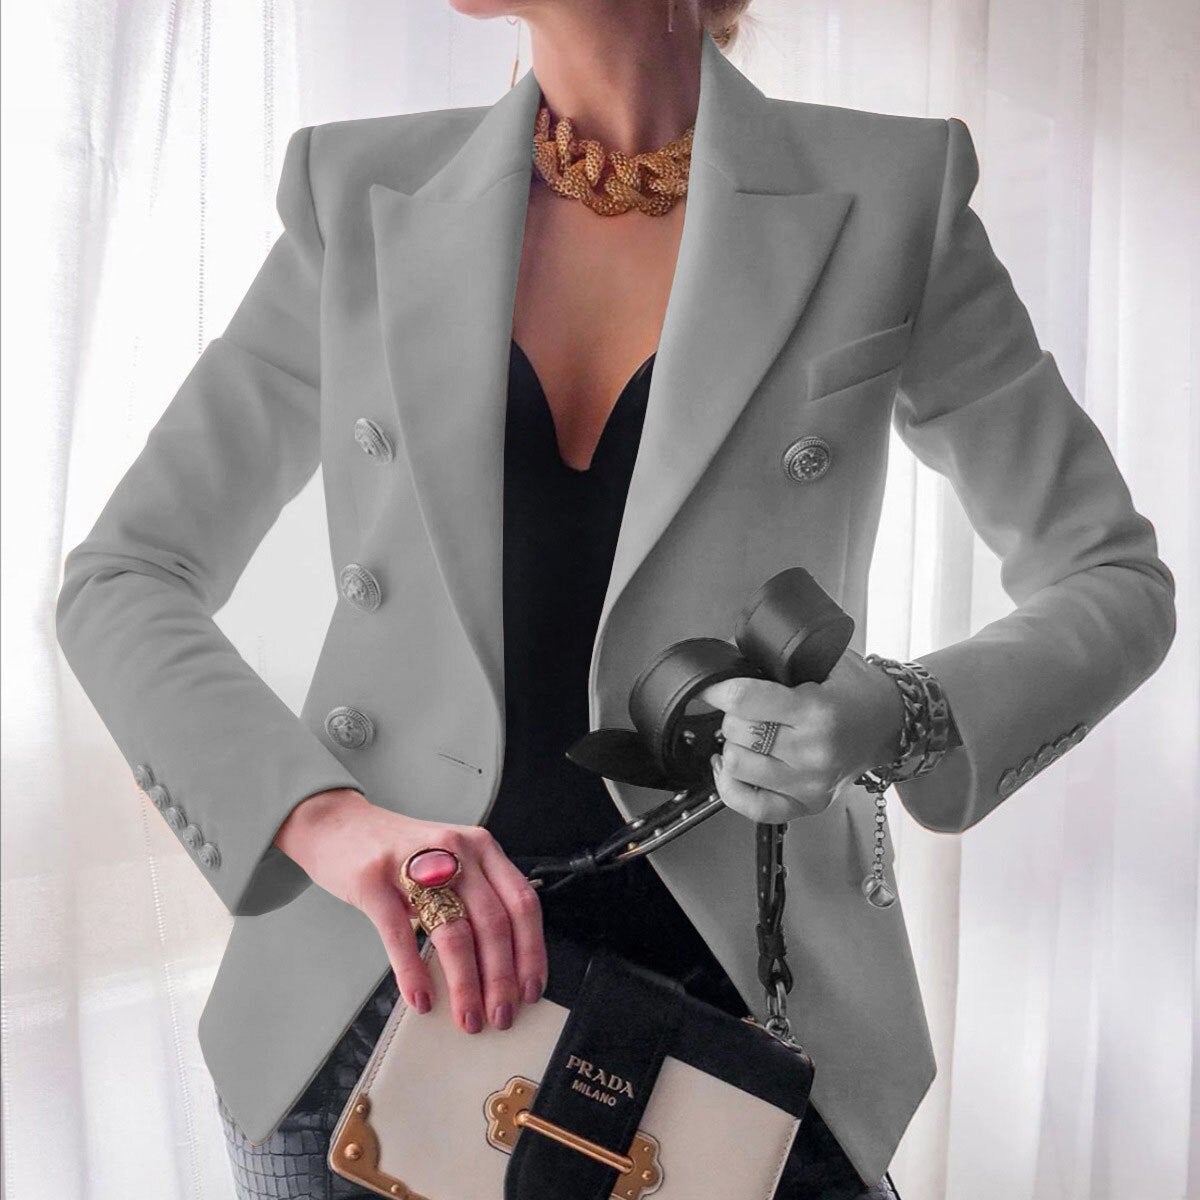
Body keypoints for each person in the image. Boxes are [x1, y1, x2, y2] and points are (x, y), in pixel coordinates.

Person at [54, 2, 1176, 1198]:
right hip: (367, 1016)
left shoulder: (889, 194)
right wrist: (333, 825)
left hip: (745, 1036)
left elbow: (1112, 576)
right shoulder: (362, 193)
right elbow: (123, 576)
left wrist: (888, 712)